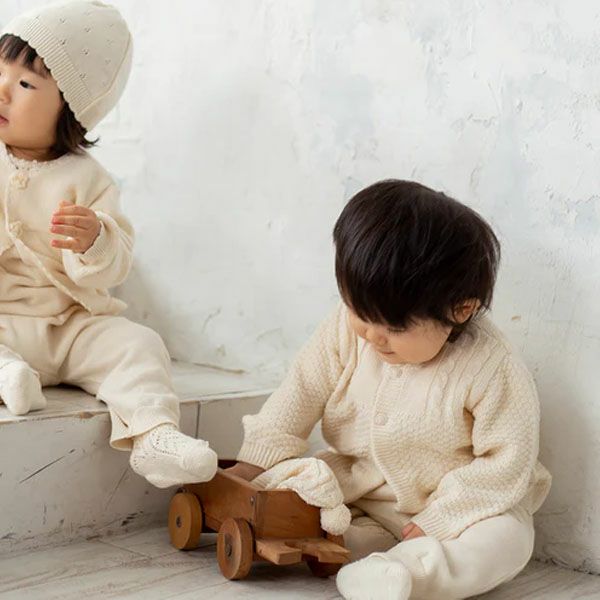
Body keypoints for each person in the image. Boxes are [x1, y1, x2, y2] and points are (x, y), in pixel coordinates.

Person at [229, 180, 552, 599]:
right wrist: (256, 459)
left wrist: (441, 518)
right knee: (310, 501)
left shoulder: (492, 367)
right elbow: (302, 389)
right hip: (362, 497)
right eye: (358, 311)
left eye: (394, 328)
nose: (371, 336)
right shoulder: (346, 330)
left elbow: (506, 463)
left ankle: (409, 575)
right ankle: (352, 553)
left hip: (465, 509)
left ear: (461, 309)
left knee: (507, 539)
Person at [0, 1, 217, 489]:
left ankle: (154, 435)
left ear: (70, 111)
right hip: (4, 322)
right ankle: (9, 376)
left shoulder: (88, 177)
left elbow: (114, 263)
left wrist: (95, 240)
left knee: (139, 344)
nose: (3, 90)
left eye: (26, 84)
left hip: (70, 328)